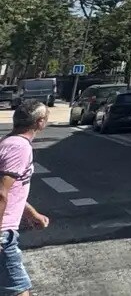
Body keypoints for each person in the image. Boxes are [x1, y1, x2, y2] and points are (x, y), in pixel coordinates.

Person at [0, 100, 50, 296]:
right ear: (39, 122)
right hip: (4, 233)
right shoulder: (19, 147)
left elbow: (13, 192)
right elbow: (2, 192)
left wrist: (32, 214)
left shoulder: (7, 142)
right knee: (19, 290)